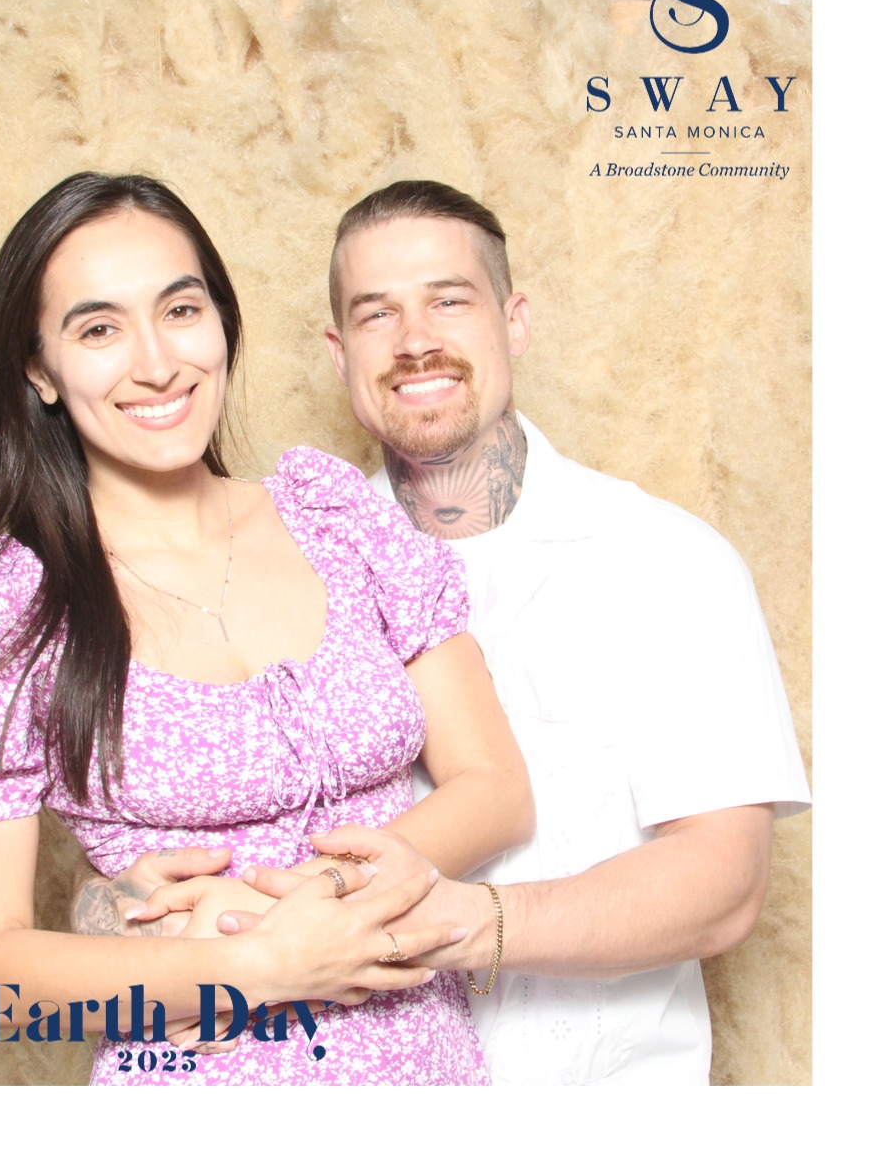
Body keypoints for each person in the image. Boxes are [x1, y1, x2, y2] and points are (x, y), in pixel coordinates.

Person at [92, 179, 811, 1086]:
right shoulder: (285, 557)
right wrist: (115, 914)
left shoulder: (669, 561)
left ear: (515, 321)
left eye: (449, 301)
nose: (414, 340)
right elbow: (160, 831)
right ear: (337, 351)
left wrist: (463, 924)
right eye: (376, 313)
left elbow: (724, 886)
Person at [0, 172, 535, 1086]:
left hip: (430, 1075)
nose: (156, 363)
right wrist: (256, 966)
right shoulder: (10, 606)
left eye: (180, 310)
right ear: (39, 370)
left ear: (222, 322)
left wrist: (319, 897)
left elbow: (496, 788)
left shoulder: (334, 516)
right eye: (99, 329)